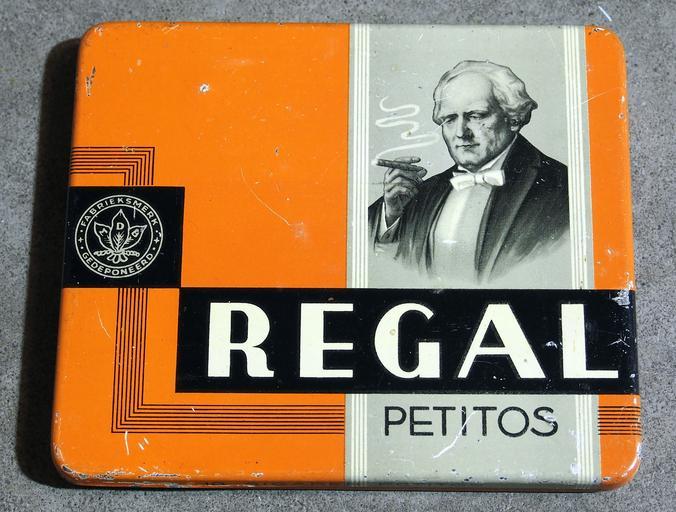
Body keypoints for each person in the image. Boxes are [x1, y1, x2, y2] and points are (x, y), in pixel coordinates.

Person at [368, 60, 569, 286]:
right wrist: (392, 215)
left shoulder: (563, 187)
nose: (461, 132)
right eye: (450, 119)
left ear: (513, 119)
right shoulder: (423, 193)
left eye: (476, 115)